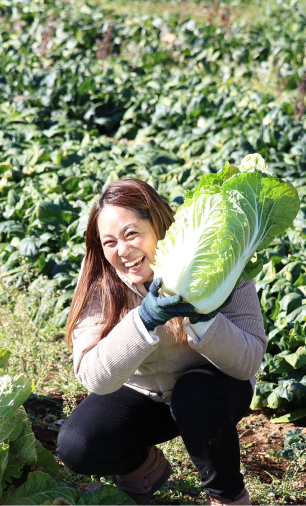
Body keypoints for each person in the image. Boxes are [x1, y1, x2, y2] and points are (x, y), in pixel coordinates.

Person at [57, 178, 267, 505]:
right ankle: (142, 468)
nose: (122, 251)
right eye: (109, 241)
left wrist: (203, 315)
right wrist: (144, 320)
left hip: (213, 393)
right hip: (146, 395)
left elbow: (249, 361)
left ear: (157, 224)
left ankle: (228, 496)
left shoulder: (220, 258)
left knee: (195, 393)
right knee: (78, 445)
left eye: (131, 234)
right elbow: (91, 375)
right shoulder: (100, 274)